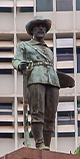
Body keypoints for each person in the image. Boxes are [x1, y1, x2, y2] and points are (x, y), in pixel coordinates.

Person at [13, 17, 60, 150]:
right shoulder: (24, 46)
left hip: (52, 80)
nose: (41, 29)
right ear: (32, 30)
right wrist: (20, 65)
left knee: (51, 114)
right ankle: (39, 142)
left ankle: (47, 145)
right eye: (38, 26)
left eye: (43, 27)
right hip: (35, 78)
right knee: (38, 112)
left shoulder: (48, 50)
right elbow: (16, 60)